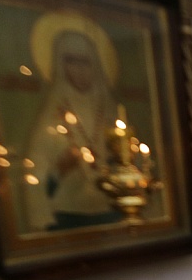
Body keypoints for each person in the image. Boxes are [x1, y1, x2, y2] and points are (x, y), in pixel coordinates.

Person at [24, 26, 123, 231]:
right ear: (61, 65)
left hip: (113, 212)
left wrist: (118, 159)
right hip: (67, 217)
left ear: (96, 64)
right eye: (71, 61)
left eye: (84, 61)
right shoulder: (51, 117)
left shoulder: (110, 112)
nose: (79, 69)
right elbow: (36, 179)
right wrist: (59, 170)